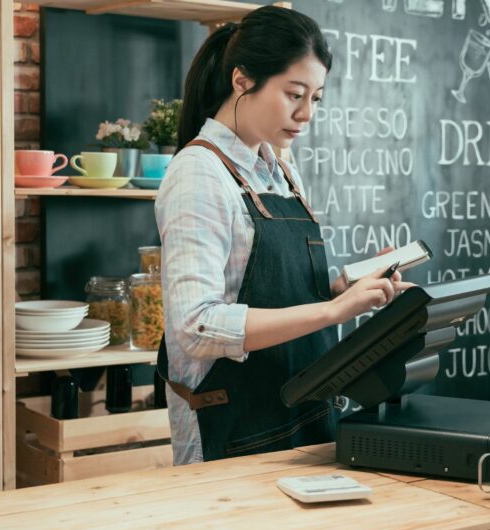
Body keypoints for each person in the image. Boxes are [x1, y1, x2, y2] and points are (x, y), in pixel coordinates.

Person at [155, 6, 410, 465]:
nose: (306, 114)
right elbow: (195, 327)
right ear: (241, 81)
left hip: (301, 413)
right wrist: (332, 311)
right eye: (294, 94)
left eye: (316, 98)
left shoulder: (280, 168)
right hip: (235, 431)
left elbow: (274, 290)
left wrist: (343, 288)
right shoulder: (199, 174)